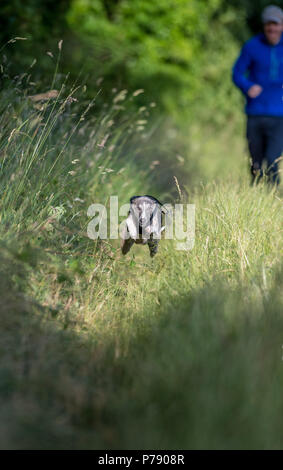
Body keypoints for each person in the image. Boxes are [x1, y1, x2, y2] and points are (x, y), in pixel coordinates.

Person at [232, 5, 283, 185]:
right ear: (264, 26)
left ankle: (274, 201)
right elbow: (237, 73)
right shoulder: (252, 46)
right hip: (255, 112)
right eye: (269, 24)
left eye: (276, 24)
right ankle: (255, 196)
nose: (272, 29)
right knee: (255, 162)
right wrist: (247, 86)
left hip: (279, 115)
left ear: (282, 26)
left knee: (273, 160)